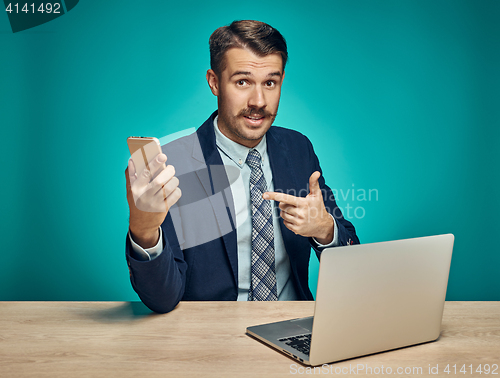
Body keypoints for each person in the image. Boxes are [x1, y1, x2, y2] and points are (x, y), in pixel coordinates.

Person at [125, 20, 359, 314]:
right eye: (243, 82)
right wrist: (144, 230)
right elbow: (162, 299)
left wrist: (325, 230)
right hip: (210, 338)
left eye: (270, 83)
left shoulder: (298, 149)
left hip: (292, 325)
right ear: (214, 82)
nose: (258, 101)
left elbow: (352, 261)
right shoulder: (173, 165)